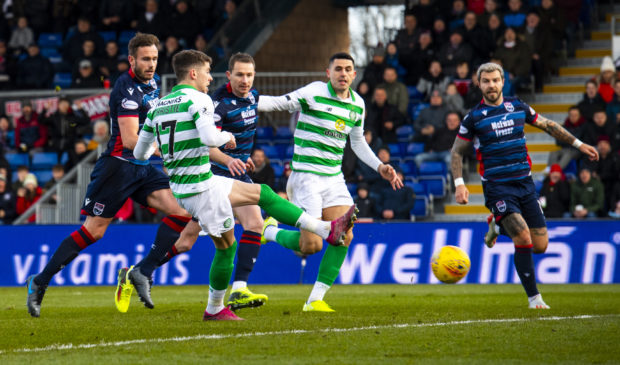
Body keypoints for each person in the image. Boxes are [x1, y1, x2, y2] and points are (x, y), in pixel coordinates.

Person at [132, 49, 357, 320]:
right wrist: (226, 137)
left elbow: (140, 154)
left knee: (263, 194)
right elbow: (209, 137)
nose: (208, 78)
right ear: (193, 73)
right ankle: (211, 306)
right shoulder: (202, 100)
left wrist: (165, 150)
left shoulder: (158, 106)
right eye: (206, 72)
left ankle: (323, 230)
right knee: (225, 248)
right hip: (202, 188)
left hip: (193, 184)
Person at [25, 33, 200, 318]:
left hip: (141, 168)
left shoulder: (152, 84)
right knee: (94, 231)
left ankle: (141, 271)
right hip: (117, 168)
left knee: (184, 211)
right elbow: (131, 140)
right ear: (131, 59)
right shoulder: (126, 89)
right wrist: (165, 152)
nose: (151, 64)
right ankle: (39, 281)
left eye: (155, 58)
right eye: (146, 59)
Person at [257, 52, 402, 312]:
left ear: (354, 75)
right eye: (338, 69)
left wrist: (379, 166)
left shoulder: (357, 104)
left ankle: (315, 300)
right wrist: (244, 100)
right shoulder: (313, 92)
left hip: (334, 179)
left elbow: (357, 142)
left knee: (344, 236)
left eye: (348, 69)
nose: (343, 74)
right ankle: (269, 232)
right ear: (328, 73)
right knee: (310, 246)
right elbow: (278, 103)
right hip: (306, 178)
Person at [451, 62, 598, 309]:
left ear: (502, 81)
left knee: (540, 246)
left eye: (495, 80)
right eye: (486, 81)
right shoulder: (473, 118)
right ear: (479, 84)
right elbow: (456, 152)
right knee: (522, 236)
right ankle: (535, 299)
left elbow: (548, 125)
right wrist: (459, 184)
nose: (491, 85)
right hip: (498, 187)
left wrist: (578, 144)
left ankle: (497, 227)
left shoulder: (517, 106)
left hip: (526, 184)